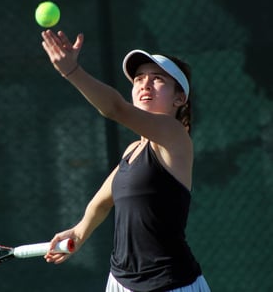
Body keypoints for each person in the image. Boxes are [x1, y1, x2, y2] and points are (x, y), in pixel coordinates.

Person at [41, 29, 211, 292]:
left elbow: (114, 108)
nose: (145, 84)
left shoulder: (175, 136)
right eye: (139, 79)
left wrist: (71, 71)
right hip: (120, 282)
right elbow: (101, 202)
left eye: (157, 79)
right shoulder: (132, 150)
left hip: (171, 284)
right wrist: (79, 232)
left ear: (179, 98)